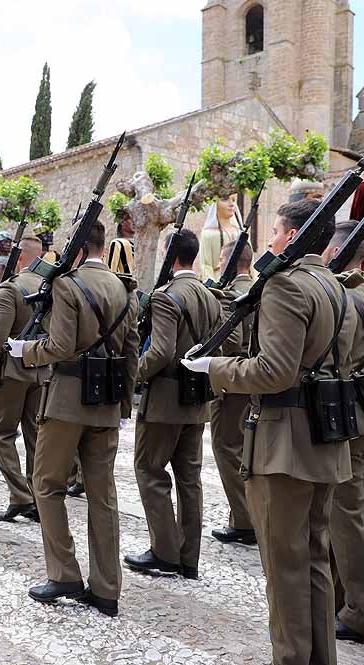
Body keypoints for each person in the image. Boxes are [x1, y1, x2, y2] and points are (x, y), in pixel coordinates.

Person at [185, 199, 355, 665]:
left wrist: (214, 367)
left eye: (277, 232)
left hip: (285, 440)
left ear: (295, 236)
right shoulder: (334, 285)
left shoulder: (286, 286)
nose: (270, 241)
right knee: (316, 557)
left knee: (284, 566)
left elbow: (275, 371)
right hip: (322, 437)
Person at [8, 220, 139, 618]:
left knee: (46, 484)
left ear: (78, 249)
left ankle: (64, 573)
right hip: (106, 402)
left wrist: (25, 351)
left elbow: (61, 346)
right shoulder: (126, 289)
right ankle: (106, 588)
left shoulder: (67, 285)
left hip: (66, 401)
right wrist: (124, 406)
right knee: (103, 495)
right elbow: (131, 350)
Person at [126, 228, 225, 580]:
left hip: (166, 398)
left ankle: (164, 551)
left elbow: (161, 351)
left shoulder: (168, 296)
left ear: (171, 254)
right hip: (196, 398)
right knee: (189, 478)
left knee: (150, 471)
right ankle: (188, 556)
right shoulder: (210, 296)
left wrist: (133, 374)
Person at [322, 221, 364, 646]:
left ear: (337, 250)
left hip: (349, 414)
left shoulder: (344, 297)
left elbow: (337, 359)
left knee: (347, 517)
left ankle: (362, 613)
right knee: (339, 513)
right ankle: (341, 602)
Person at [0, 235, 47, 523]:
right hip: (40, 369)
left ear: (19, 258)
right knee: (34, 436)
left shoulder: (10, 288)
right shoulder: (50, 286)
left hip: (11, 372)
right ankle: (37, 497)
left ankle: (20, 496)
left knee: (3, 434)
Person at [209, 240, 258, 546]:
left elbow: (233, 341)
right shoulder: (257, 287)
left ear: (228, 261)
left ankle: (244, 520)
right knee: (243, 449)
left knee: (227, 449)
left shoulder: (231, 294)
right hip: (253, 378)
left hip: (234, 381)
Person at [198, 195, 239, 283]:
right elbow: (206, 265)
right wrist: (214, 288)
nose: (231, 204)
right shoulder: (208, 234)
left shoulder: (241, 233)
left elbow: (250, 263)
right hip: (218, 281)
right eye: (225, 199)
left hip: (240, 281)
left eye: (233, 200)